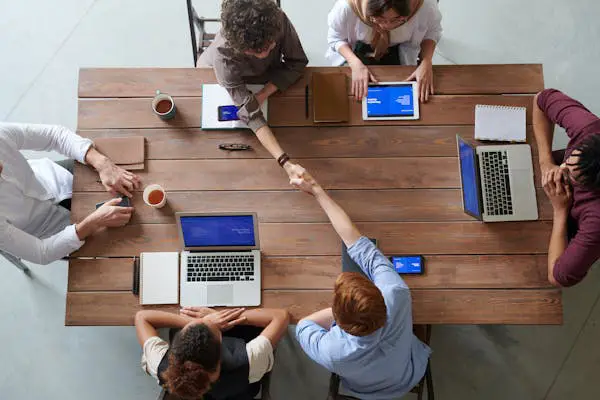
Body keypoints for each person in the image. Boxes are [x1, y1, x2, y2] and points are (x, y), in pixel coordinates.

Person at [291, 169, 430, 399]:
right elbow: (359, 244)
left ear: (337, 320)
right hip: (409, 374)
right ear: (380, 299)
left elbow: (305, 324)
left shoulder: (332, 352)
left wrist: (315, 191)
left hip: (364, 391)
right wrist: (316, 189)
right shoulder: (396, 294)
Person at [198, 0, 308, 181]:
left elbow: (297, 62)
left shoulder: (277, 20)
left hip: (264, 76)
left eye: (270, 45)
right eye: (256, 51)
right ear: (240, 47)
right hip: (214, 75)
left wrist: (264, 93)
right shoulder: (223, 55)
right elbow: (251, 113)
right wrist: (285, 162)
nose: (267, 51)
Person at [0, 122, 139, 265]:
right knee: (124, 250)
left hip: (56, 178)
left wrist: (102, 164)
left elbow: (55, 136)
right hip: (54, 232)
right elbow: (41, 252)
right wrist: (94, 222)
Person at [135, 306, 289, 400]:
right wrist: (223, 316)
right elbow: (281, 316)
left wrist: (205, 322)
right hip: (240, 393)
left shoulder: (160, 365)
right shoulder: (250, 362)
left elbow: (142, 317)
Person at [533, 89, 600, 287]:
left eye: (571, 175)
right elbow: (540, 99)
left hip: (564, 220)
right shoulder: (589, 128)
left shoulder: (596, 219)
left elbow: (558, 277)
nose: (562, 168)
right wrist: (546, 162)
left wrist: (560, 211)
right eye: (569, 161)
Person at [327, 0, 442, 102]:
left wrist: (426, 61)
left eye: (397, 20)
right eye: (380, 19)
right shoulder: (347, 7)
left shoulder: (424, 5)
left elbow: (432, 32)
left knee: (398, 97)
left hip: (399, 49)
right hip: (358, 49)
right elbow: (336, 37)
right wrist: (355, 64)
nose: (387, 26)